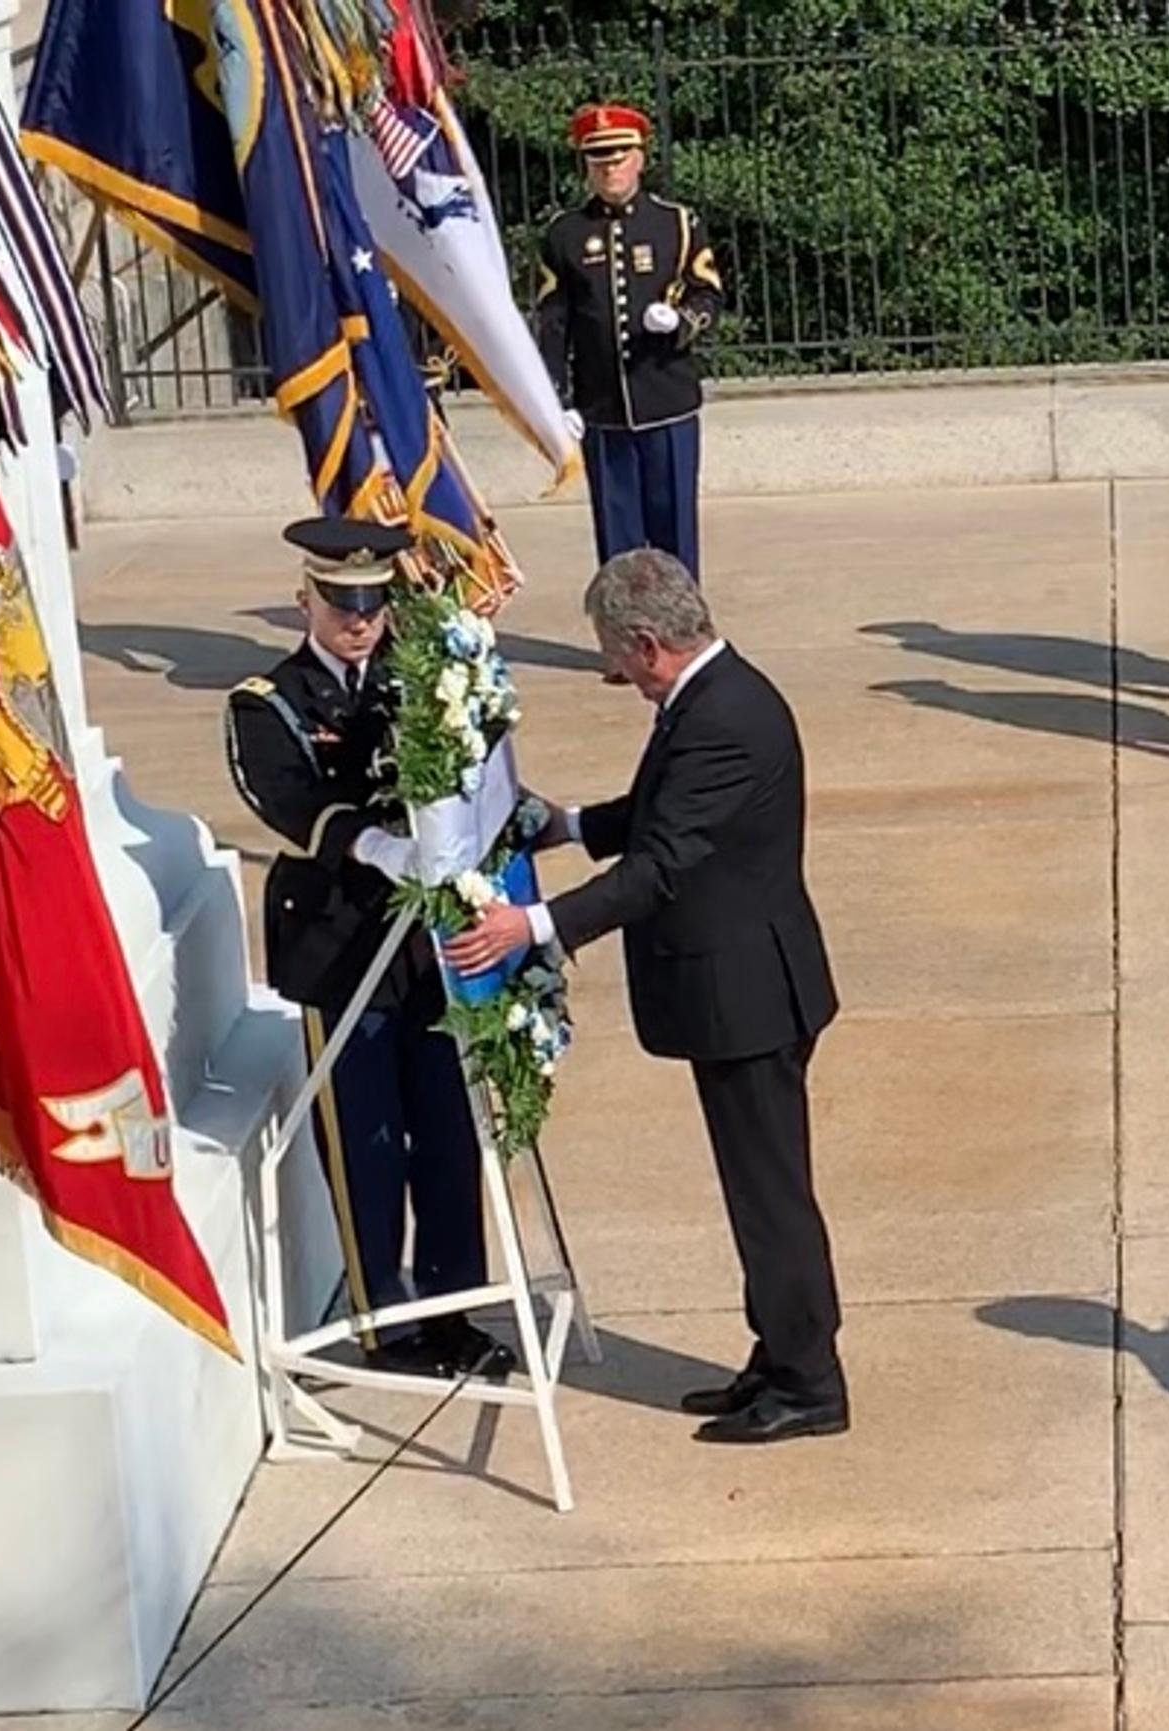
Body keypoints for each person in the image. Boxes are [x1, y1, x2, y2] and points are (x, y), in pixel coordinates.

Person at [444, 548, 845, 1445]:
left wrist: (532, 925)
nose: (615, 672)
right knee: (756, 1190)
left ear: (647, 643)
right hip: (739, 988)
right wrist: (570, 825)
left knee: (771, 1196)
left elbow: (661, 866)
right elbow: (662, 809)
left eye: (614, 655)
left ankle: (810, 1381)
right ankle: (780, 1353)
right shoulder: (711, 697)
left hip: (749, 996)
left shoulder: (724, 718)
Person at [225, 519, 510, 1380]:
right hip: (340, 945)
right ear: (304, 600)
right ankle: (386, 1321)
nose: (359, 621)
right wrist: (371, 842)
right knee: (366, 1144)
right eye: (341, 603)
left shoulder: (419, 679)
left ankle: (454, 1308)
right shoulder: (266, 700)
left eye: (372, 604)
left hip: (423, 946)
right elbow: (282, 795)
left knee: (448, 1131)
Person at [536, 103, 723, 578]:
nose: (610, 169)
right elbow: (554, 321)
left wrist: (681, 321)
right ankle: (623, 622)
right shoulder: (564, 233)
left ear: (639, 158)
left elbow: (708, 293)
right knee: (617, 537)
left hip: (666, 400)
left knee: (673, 528)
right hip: (602, 407)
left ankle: (680, 619)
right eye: (599, 160)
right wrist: (558, 399)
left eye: (619, 158)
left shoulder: (676, 223)